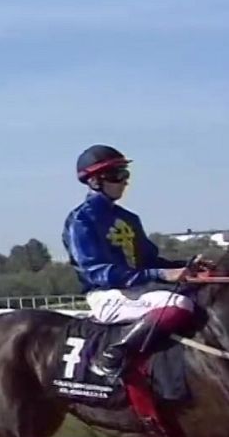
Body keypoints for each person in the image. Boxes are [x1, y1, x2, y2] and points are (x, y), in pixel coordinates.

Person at [61, 144, 211, 384]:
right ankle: (113, 355)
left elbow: (150, 261)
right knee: (178, 303)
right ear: (94, 181)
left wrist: (188, 267)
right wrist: (162, 273)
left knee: (203, 295)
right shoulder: (81, 220)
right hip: (105, 295)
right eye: (117, 175)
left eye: (125, 174)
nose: (124, 181)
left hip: (138, 291)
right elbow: (96, 272)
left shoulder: (128, 218)